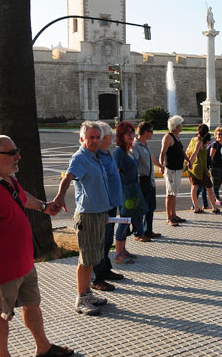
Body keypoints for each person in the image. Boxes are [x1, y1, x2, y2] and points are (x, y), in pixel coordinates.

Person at [0, 136, 74, 356]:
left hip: (24, 261)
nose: (18, 156)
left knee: (33, 305)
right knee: (2, 314)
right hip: (2, 267)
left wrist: (43, 207)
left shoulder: (8, 178)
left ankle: (43, 348)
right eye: (12, 153)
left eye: (17, 150)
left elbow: (21, 197)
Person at [54, 121, 112, 316]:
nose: (95, 140)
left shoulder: (95, 157)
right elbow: (68, 177)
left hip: (97, 213)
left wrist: (104, 212)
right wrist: (60, 196)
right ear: (82, 139)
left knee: (93, 257)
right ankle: (81, 299)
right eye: (91, 137)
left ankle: (87, 293)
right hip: (86, 215)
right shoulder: (80, 157)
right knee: (85, 259)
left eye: (97, 137)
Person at [92, 122, 125, 291]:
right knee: (100, 242)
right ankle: (96, 277)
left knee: (107, 240)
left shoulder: (107, 153)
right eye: (109, 135)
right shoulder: (96, 156)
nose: (112, 138)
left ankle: (105, 269)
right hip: (104, 205)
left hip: (112, 204)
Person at [113, 121, 149, 262]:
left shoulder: (128, 150)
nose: (131, 135)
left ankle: (123, 249)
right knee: (124, 220)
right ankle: (118, 253)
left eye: (132, 133)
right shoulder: (119, 152)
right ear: (120, 135)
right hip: (125, 191)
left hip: (132, 189)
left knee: (128, 220)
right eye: (128, 133)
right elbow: (116, 174)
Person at [133, 121, 163, 239]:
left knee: (151, 207)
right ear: (145, 132)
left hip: (150, 181)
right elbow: (133, 164)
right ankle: (139, 233)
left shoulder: (145, 145)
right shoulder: (135, 146)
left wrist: (160, 166)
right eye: (151, 131)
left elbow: (152, 158)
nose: (152, 133)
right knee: (141, 208)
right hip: (142, 181)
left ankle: (148, 230)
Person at [160, 116, 191, 226]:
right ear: (176, 126)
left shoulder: (177, 137)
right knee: (170, 194)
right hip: (171, 169)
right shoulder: (168, 137)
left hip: (178, 169)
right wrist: (161, 166)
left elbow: (181, 151)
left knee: (174, 193)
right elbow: (163, 153)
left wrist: (188, 161)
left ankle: (174, 215)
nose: (182, 126)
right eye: (181, 125)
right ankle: (169, 218)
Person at [185, 124, 221, 213]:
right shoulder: (199, 142)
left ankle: (196, 207)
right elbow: (195, 153)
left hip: (193, 168)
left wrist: (188, 163)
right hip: (200, 168)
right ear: (206, 133)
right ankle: (214, 207)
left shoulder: (193, 139)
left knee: (194, 187)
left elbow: (188, 151)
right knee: (209, 188)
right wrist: (190, 162)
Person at [209, 127, 222, 205]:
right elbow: (211, 156)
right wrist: (210, 166)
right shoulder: (215, 145)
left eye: (221, 134)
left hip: (221, 166)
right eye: (218, 134)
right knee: (215, 183)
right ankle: (216, 198)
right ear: (215, 135)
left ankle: (215, 196)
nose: (220, 136)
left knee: (220, 182)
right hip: (215, 166)